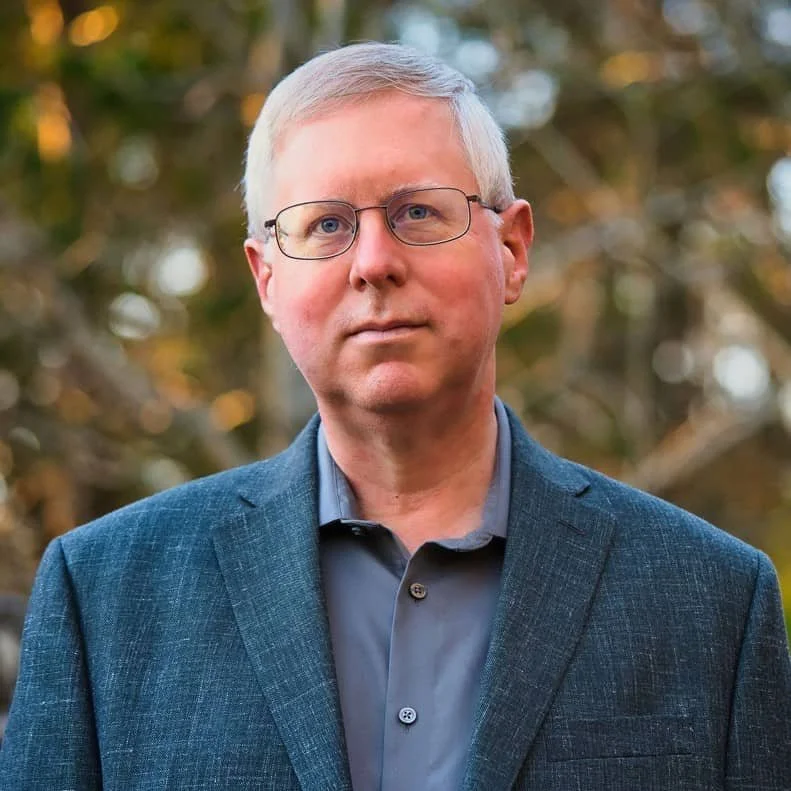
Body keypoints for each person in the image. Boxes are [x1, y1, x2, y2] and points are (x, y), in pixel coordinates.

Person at [1, 41, 789, 791]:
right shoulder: (102, 596)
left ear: (512, 249)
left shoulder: (713, 601)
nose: (374, 261)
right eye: (327, 225)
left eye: (417, 212)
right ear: (266, 279)